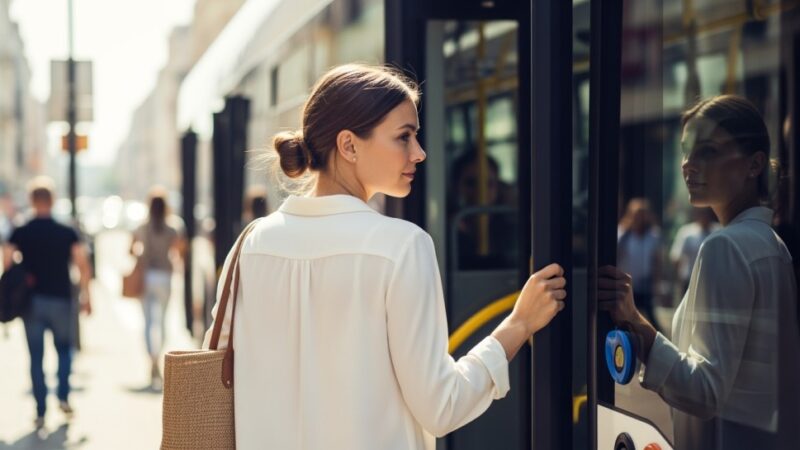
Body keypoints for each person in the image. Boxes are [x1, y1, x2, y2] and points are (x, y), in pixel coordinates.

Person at [202, 64, 567, 449]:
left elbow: (220, 369)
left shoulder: (252, 244)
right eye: (404, 138)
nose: (419, 153)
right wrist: (518, 325)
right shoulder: (402, 247)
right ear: (349, 145)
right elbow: (441, 407)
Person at [599, 95, 800, 449]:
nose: (688, 165)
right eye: (686, 151)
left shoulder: (725, 247)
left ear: (753, 166)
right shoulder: (771, 244)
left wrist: (637, 324)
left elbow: (704, 392)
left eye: (707, 151)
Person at [2, 177, 93, 429]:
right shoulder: (66, 231)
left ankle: (40, 410)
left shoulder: (21, 230)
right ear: (52, 201)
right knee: (64, 350)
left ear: (32, 201)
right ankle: (63, 396)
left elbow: (7, 260)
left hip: (31, 302)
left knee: (36, 356)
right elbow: (81, 263)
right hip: (61, 299)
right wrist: (87, 295)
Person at [130, 187, 185, 387]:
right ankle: (158, 356)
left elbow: (131, 249)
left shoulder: (142, 227)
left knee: (147, 322)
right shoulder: (173, 227)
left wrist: (140, 255)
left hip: (146, 276)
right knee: (162, 322)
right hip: (164, 276)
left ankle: (151, 361)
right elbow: (178, 251)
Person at [617, 198, 661, 325]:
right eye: (636, 214)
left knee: (649, 319)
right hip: (624, 285)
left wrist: (656, 283)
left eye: (642, 214)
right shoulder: (621, 234)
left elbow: (657, 261)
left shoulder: (653, 235)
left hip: (644, 284)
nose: (639, 218)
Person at [669, 207, 720, 296]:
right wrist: (678, 278)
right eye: (701, 213)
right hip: (690, 280)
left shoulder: (719, 231)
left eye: (706, 213)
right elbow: (676, 257)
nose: (704, 216)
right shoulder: (686, 232)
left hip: (712, 280)